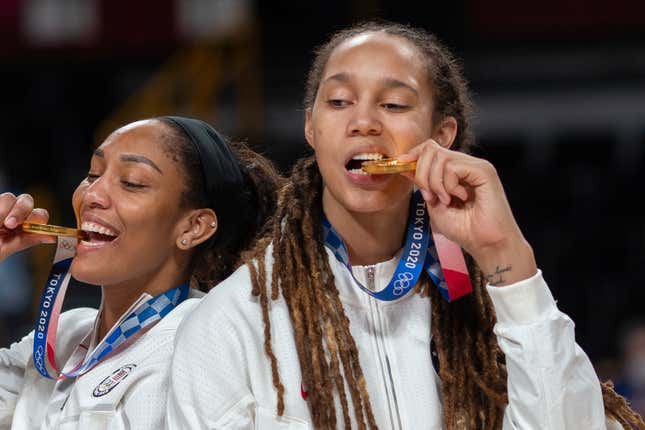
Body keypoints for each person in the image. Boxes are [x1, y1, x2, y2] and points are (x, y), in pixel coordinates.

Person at [167, 22, 644, 429]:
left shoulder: (486, 301)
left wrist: (506, 258)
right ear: (311, 127)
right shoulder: (235, 321)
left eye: (394, 105)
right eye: (338, 102)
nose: (365, 122)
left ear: (442, 135)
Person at [0, 116, 281, 429]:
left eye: (131, 182)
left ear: (193, 226)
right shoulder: (65, 334)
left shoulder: (203, 342)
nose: (92, 195)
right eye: (93, 174)